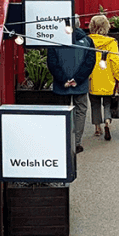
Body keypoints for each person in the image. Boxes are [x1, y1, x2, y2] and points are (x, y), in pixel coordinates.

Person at [46, 20, 93, 154]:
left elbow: (52, 63)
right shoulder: (88, 41)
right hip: (80, 84)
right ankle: (76, 142)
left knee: (62, 112)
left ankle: (63, 141)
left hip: (61, 85)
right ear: (78, 25)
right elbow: (90, 63)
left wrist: (63, 80)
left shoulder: (55, 42)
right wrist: (77, 79)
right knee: (80, 111)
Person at [87, 15, 119, 142]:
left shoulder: (88, 41)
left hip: (92, 78)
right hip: (108, 78)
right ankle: (107, 121)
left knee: (95, 103)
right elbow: (115, 62)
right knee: (108, 102)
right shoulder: (111, 42)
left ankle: (97, 127)